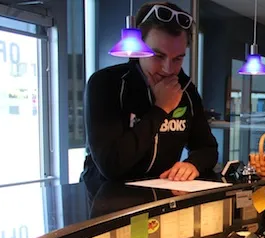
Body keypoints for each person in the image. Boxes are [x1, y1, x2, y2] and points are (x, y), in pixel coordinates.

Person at [82, 2, 217, 191]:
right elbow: (111, 165)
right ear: (139, 47)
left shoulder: (186, 90)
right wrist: (161, 109)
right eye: (158, 56)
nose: (168, 69)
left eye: (178, 58)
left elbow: (207, 149)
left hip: (159, 196)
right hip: (106, 197)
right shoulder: (106, 83)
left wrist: (193, 164)